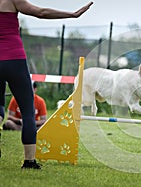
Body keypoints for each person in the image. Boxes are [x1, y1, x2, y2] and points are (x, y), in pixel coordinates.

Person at [0, 0, 93, 169]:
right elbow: (41, 12)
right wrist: (72, 14)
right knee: (28, 112)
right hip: (14, 59)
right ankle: (29, 161)